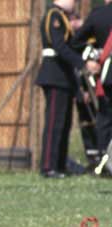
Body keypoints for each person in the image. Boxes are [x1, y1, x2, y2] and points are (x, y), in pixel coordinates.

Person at [36, 0, 100, 178]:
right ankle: (49, 166)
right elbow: (60, 46)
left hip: (64, 77)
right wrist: (82, 64)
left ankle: (60, 163)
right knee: (54, 124)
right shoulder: (54, 16)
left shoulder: (64, 18)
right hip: (54, 74)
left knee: (64, 124)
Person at [71, 0, 112, 164]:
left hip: (108, 75)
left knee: (106, 119)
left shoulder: (98, 15)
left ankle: (105, 162)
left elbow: (76, 42)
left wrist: (91, 58)